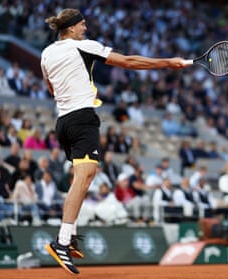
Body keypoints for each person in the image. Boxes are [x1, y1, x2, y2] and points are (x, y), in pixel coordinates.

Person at [40, 8, 187, 274]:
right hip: (82, 119)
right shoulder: (84, 46)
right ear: (71, 28)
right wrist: (168, 62)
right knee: (83, 179)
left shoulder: (47, 53)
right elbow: (129, 61)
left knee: (82, 180)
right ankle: (61, 242)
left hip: (62, 122)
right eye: (82, 25)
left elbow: (50, 86)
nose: (86, 28)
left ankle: (69, 236)